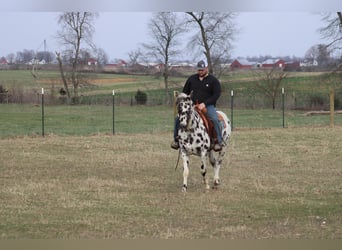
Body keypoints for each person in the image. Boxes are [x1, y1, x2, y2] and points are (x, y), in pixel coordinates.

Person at [171, 60, 223, 151]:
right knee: (178, 119)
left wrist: (204, 104)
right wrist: (182, 99)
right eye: (199, 70)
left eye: (202, 70)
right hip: (192, 106)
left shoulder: (213, 80)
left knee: (214, 119)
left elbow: (216, 95)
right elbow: (185, 92)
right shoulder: (191, 79)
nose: (200, 72)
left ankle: (218, 141)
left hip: (207, 106)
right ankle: (176, 140)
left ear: (206, 69)